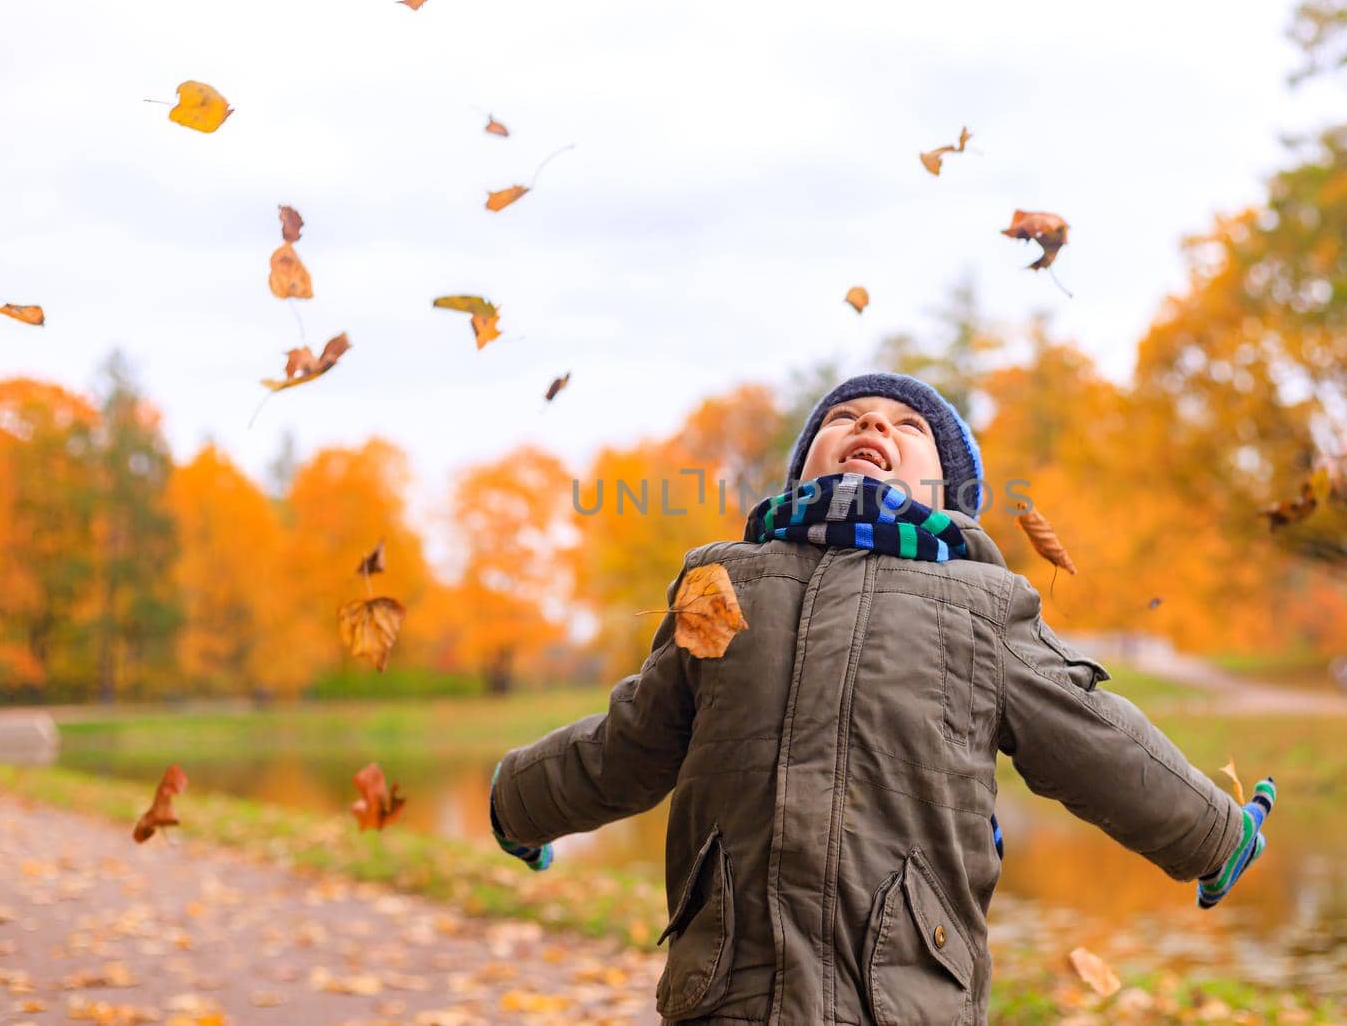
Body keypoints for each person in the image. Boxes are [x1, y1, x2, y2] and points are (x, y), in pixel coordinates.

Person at [490, 372, 1275, 1025]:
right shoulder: (726, 582)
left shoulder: (978, 604)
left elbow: (1093, 736)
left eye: (908, 426)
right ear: (801, 471)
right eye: (844, 418)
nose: (872, 423)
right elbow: (630, 741)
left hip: (902, 988)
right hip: (729, 985)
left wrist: (1212, 834)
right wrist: (519, 803)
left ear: (947, 493)